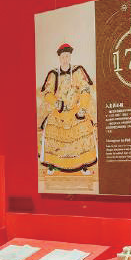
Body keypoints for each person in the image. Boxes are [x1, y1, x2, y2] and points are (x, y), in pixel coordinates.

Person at [38, 43, 97, 175]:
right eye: (63, 56)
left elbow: (85, 89)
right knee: (51, 128)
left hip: (75, 109)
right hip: (59, 110)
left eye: (67, 56)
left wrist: (82, 107)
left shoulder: (77, 71)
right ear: (59, 58)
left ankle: (83, 165)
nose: (65, 59)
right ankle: (52, 164)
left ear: (70, 57)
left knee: (84, 127)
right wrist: (56, 102)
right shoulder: (53, 74)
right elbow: (47, 92)